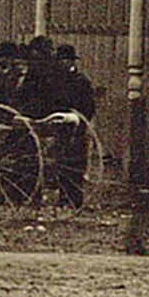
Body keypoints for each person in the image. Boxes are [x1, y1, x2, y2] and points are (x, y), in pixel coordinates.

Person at [32, 41, 94, 208]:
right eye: (60, 60)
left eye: (66, 60)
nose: (62, 63)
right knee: (58, 162)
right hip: (58, 125)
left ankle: (74, 200)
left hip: (75, 126)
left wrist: (75, 117)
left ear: (72, 62)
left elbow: (88, 107)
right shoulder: (55, 80)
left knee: (75, 164)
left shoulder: (81, 81)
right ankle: (62, 198)